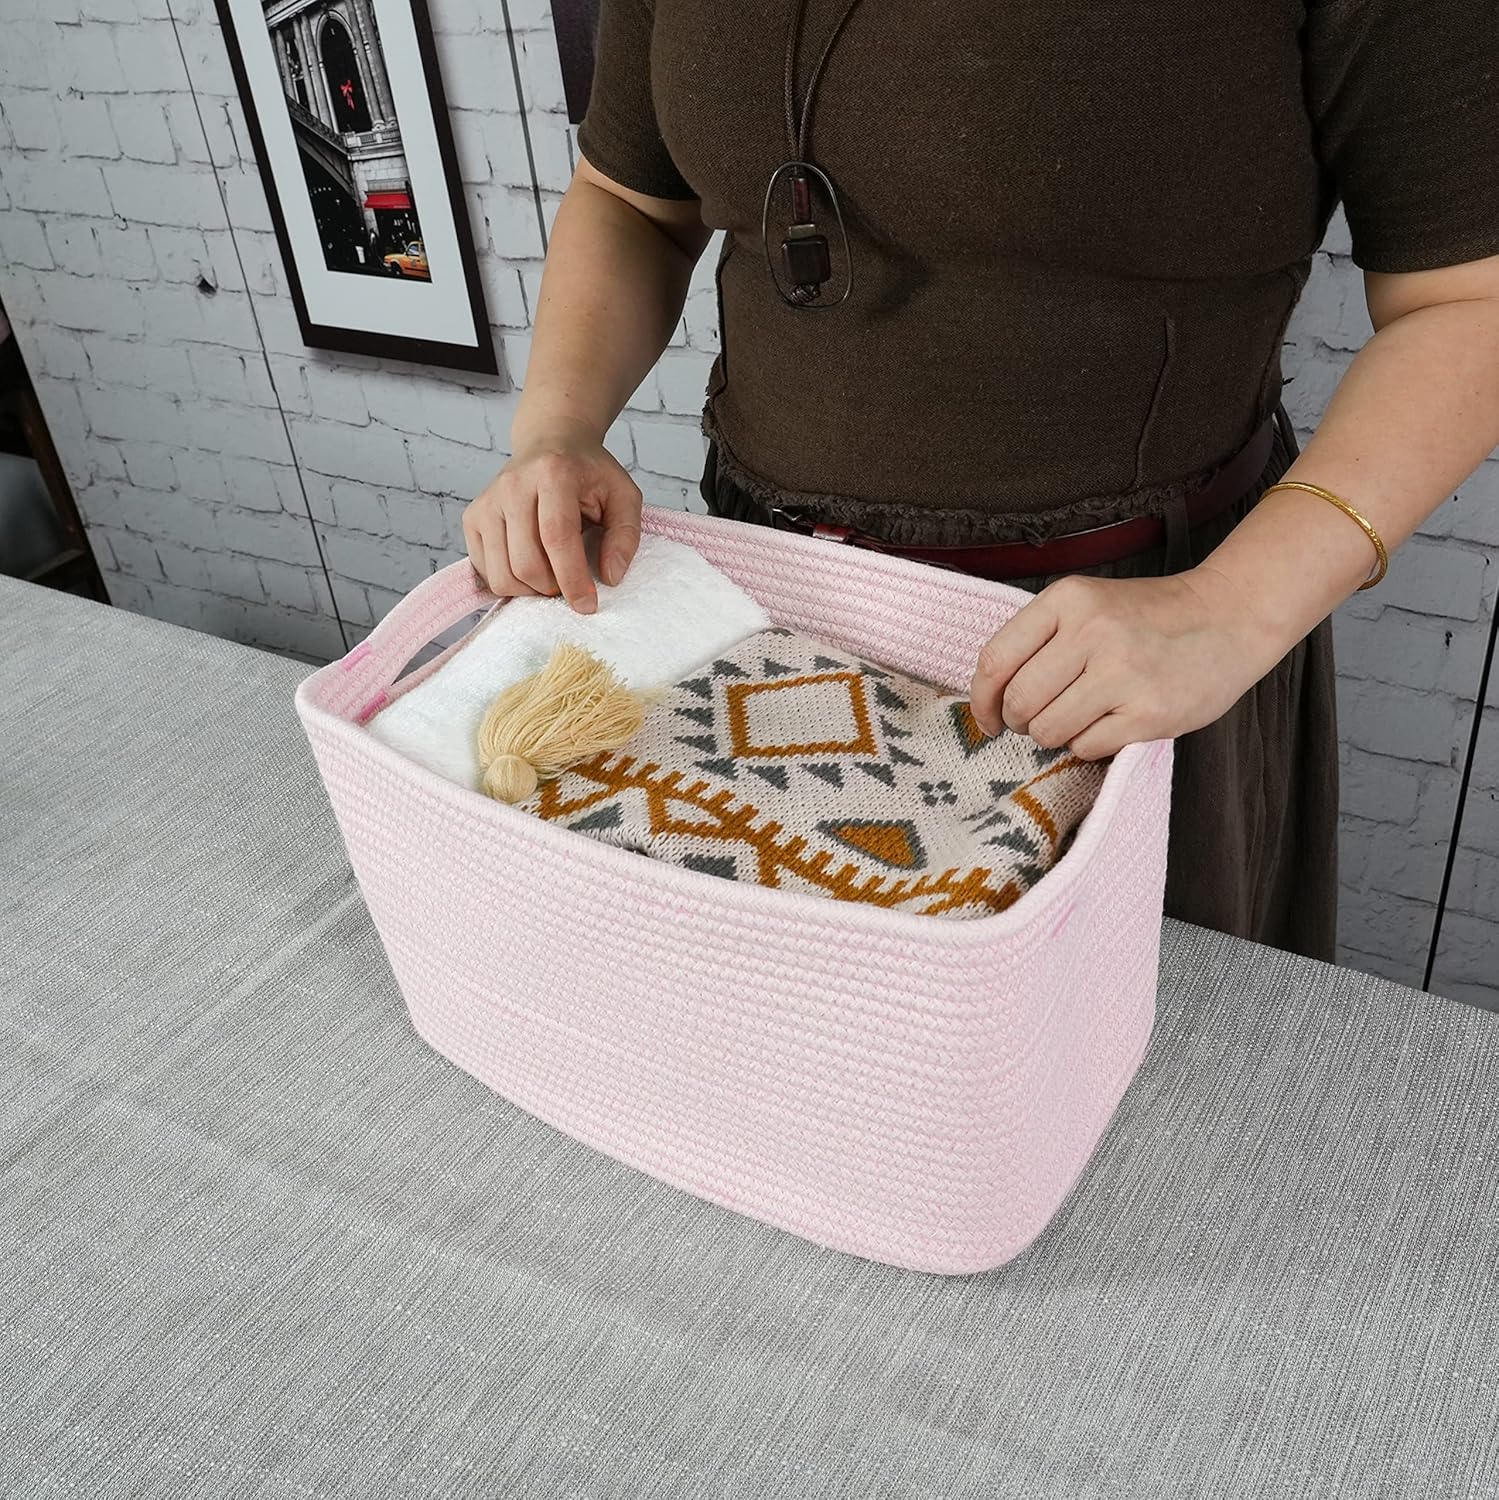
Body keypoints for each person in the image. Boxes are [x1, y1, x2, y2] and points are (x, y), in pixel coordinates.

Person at [462, 0, 1499, 961]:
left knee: (1117, 1061)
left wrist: (1233, 608)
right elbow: (632, 199)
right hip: (762, 611)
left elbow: (1466, 299)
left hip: (1114, 644)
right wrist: (557, 428)